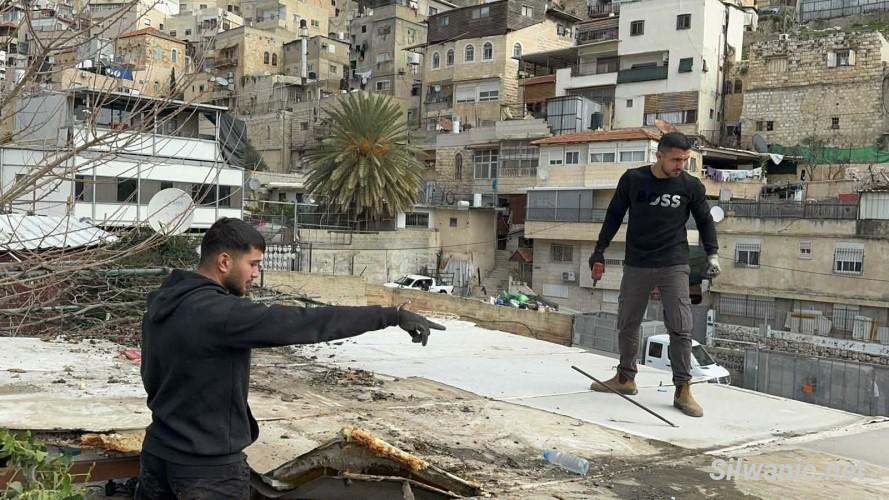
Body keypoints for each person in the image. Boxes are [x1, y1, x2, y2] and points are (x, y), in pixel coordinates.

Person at [136, 217, 444, 499]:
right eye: (253, 264)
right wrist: (389, 316)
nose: (256, 273)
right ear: (224, 261)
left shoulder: (163, 303)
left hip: (158, 454)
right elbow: (306, 322)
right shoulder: (221, 314)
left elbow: (150, 374)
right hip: (206, 471)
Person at [588, 132, 720, 418]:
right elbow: (614, 214)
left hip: (674, 263)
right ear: (659, 155)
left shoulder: (690, 185)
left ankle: (683, 390)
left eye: (685, 160)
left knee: (680, 327)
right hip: (637, 262)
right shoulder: (633, 180)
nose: (680, 165)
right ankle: (625, 378)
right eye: (675, 159)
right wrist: (599, 250)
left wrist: (713, 254)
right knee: (628, 322)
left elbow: (705, 220)